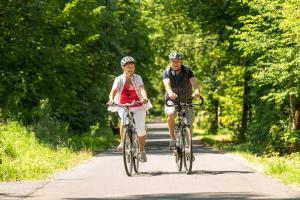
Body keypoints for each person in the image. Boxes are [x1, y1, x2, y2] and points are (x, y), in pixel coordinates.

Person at [108, 56, 152, 162]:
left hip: (138, 105)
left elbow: (142, 89)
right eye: (128, 66)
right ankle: (123, 142)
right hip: (123, 105)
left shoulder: (137, 77)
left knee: (141, 128)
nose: (130, 69)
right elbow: (113, 91)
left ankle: (141, 150)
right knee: (124, 120)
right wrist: (111, 99)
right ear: (123, 68)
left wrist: (145, 98)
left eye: (132, 66)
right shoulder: (118, 79)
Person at [163, 51, 201, 150]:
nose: (175, 63)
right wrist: (170, 93)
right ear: (170, 62)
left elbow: (194, 82)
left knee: (189, 123)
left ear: (181, 62)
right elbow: (167, 84)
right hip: (172, 99)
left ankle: (189, 148)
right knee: (171, 113)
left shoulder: (187, 71)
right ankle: (173, 139)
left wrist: (196, 91)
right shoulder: (167, 71)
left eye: (177, 61)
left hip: (187, 99)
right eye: (173, 61)